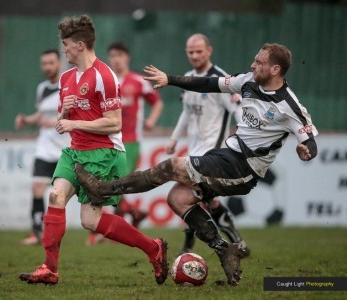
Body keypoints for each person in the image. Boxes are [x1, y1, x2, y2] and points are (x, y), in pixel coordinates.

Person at [74, 43, 318, 286]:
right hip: (226, 155)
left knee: (170, 167)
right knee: (177, 199)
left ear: (275, 69)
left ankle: (102, 189)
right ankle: (224, 249)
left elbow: (309, 140)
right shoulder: (248, 81)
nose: (253, 65)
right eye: (254, 60)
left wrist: (306, 151)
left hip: (244, 169)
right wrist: (169, 79)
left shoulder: (289, 105)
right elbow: (209, 84)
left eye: (259, 62)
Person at [19, 15, 168, 286]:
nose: (63, 49)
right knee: (55, 196)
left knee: (90, 220)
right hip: (74, 151)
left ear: (79, 45)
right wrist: (65, 110)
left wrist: (73, 120)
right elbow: (62, 119)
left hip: (104, 153)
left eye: (65, 44)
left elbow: (115, 122)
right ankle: (49, 268)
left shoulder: (105, 76)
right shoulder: (65, 78)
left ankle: (153, 248)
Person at [167, 33, 249, 256]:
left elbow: (237, 110)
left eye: (199, 51)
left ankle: (189, 248)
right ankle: (237, 242)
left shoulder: (221, 80)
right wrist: (174, 138)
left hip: (213, 154)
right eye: (191, 52)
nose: (194, 56)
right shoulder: (188, 77)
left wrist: (244, 141)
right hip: (195, 150)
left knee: (184, 197)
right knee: (207, 202)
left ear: (209, 51)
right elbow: (186, 112)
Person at [87, 42, 164, 245]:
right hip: (106, 141)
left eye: (120, 54)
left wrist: (151, 121)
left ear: (127, 57)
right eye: (112, 55)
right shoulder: (104, 82)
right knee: (107, 185)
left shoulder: (138, 81)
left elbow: (157, 101)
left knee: (117, 185)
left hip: (130, 143)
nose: (116, 59)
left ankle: (110, 228)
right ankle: (134, 215)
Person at [15, 49, 71, 245]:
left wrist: (56, 120)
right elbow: (40, 115)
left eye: (51, 63)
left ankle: (56, 232)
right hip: (44, 148)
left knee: (60, 194)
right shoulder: (42, 88)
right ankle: (36, 233)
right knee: (37, 188)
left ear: (59, 63)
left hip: (65, 149)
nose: (47, 67)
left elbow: (75, 113)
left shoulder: (68, 86)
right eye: (44, 63)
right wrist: (26, 119)